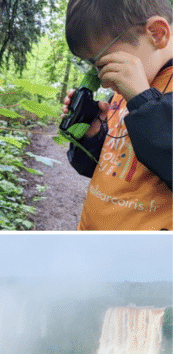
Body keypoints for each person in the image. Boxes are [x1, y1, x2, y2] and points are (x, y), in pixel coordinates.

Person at [61, 0, 173, 230]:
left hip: (140, 258)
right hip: (91, 238)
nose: (100, 76)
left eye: (102, 62)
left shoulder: (137, 89)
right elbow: (104, 170)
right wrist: (92, 137)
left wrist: (143, 101)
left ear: (156, 33)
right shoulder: (126, 89)